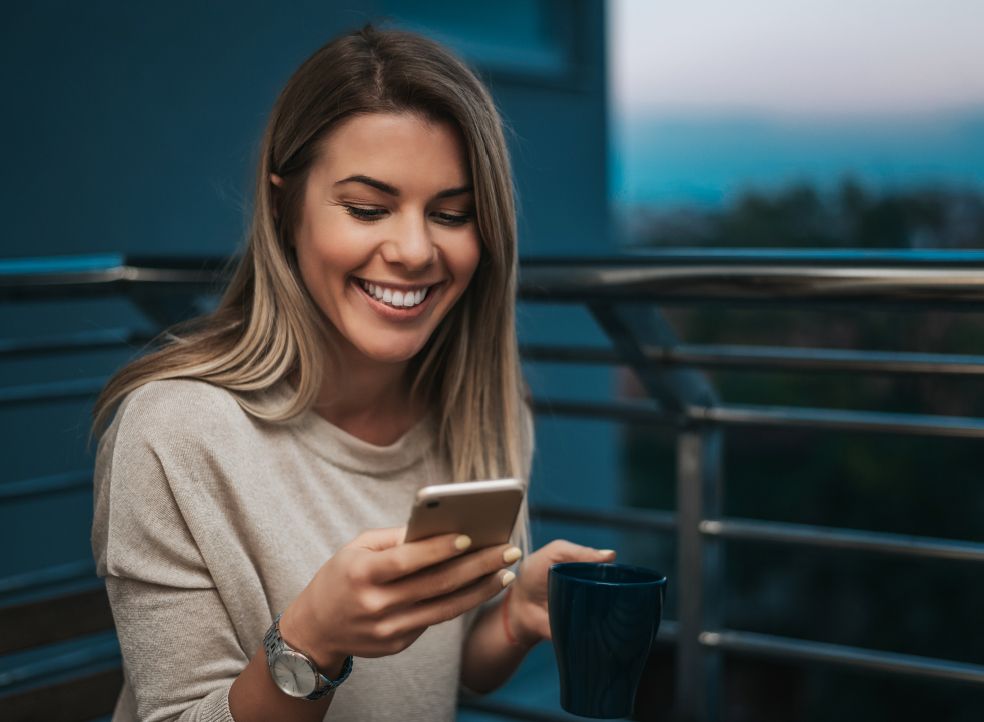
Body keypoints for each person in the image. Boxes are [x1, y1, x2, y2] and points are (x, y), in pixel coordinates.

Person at [90, 23, 616, 722]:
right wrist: (313, 642)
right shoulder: (174, 430)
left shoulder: (480, 407)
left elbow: (437, 672)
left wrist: (514, 618)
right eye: (368, 208)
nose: (413, 249)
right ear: (284, 205)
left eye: (452, 214)